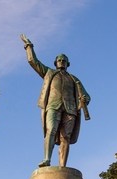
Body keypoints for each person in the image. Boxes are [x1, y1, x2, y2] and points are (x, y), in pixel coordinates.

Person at [21, 34, 90, 168]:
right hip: (53, 106)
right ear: (55, 62)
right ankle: (47, 159)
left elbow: (86, 95)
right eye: (59, 60)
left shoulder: (74, 79)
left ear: (68, 63)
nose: (61, 61)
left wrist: (85, 99)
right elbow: (33, 61)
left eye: (64, 60)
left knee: (66, 137)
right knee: (51, 130)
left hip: (70, 109)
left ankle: (62, 166)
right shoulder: (49, 73)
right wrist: (29, 46)